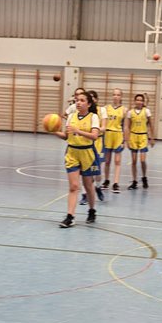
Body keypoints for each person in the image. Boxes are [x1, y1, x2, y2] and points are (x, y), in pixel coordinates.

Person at [55, 89, 101, 228]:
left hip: (88, 153)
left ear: (88, 104)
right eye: (77, 100)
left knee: (88, 185)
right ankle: (70, 216)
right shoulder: (71, 117)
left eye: (82, 100)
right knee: (74, 186)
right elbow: (66, 136)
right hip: (72, 153)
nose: (78, 102)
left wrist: (78, 131)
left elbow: (94, 136)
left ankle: (92, 210)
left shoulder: (93, 117)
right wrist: (53, 131)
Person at [125, 92, 153, 190]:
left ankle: (144, 177)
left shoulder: (146, 111)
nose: (139, 102)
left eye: (141, 100)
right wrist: (127, 140)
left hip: (143, 137)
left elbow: (151, 125)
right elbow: (127, 127)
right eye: (137, 100)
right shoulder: (130, 112)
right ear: (135, 101)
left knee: (142, 160)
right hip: (133, 136)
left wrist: (152, 138)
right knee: (133, 161)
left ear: (143, 102)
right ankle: (134, 181)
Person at [101, 88, 126, 192]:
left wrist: (125, 140)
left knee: (117, 161)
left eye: (118, 95)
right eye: (114, 94)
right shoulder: (106, 108)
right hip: (108, 134)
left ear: (121, 97)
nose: (116, 96)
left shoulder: (124, 110)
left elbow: (125, 126)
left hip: (118, 135)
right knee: (107, 161)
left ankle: (116, 183)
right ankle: (106, 180)